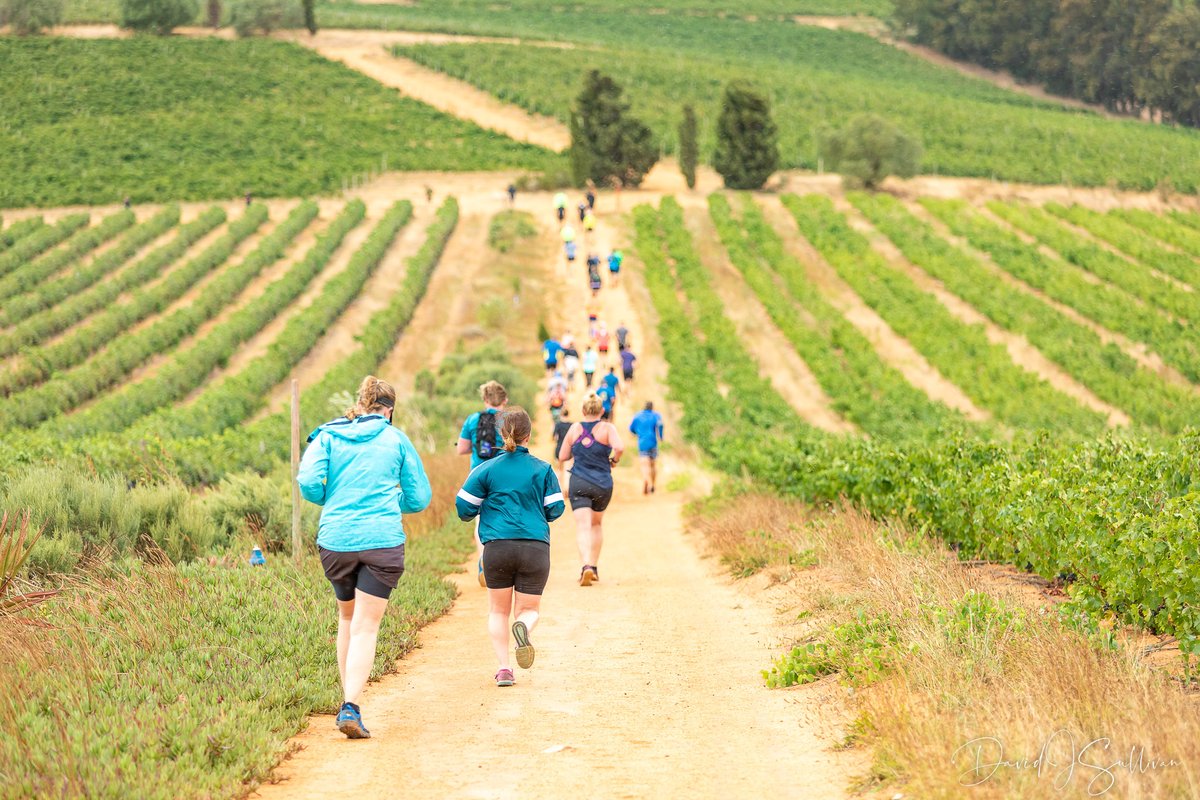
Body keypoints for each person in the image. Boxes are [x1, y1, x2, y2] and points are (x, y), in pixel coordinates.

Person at [298, 376, 432, 739]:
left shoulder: (327, 435)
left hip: (336, 540)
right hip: (381, 542)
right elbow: (419, 498)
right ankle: (351, 705)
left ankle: (347, 699)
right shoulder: (395, 438)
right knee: (366, 626)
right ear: (388, 410)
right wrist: (392, 504)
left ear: (360, 404)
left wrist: (333, 500)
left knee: (347, 618)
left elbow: (308, 482)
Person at [457, 407, 565, 687]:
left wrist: (482, 508)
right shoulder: (543, 469)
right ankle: (525, 628)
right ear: (529, 435)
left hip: (497, 547)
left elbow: (463, 507)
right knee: (529, 609)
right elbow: (556, 508)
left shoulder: (486, 469)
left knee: (498, 611)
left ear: (502, 434)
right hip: (534, 547)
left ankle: (504, 668)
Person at [558, 393, 624, 586]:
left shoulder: (575, 428)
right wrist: (614, 460)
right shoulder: (607, 428)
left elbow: (562, 456)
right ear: (602, 410)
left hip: (579, 482)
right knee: (596, 525)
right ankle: (594, 567)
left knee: (582, 526)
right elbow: (619, 446)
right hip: (602, 484)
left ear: (583, 410)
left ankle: (585, 565)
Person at [457, 381, 508, 585]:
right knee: (503, 519)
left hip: (477, 476)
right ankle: (501, 565)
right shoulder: (507, 419)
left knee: (480, 522)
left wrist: (477, 447)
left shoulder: (472, 419)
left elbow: (461, 449)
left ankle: (482, 563)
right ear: (505, 400)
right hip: (503, 475)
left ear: (485, 400)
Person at [629, 401, 664, 494]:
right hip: (653, 442)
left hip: (642, 443)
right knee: (653, 465)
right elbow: (660, 425)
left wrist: (638, 433)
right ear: (652, 407)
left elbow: (631, 429)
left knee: (644, 465)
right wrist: (660, 436)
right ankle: (652, 484)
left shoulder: (637, 416)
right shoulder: (656, 415)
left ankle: (645, 479)